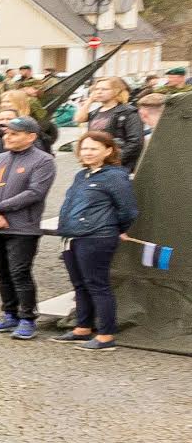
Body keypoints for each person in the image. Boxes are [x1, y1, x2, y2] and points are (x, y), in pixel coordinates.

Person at [0, 117, 58, 340]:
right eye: (7, 133)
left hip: (22, 227)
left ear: (31, 137)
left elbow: (34, 193)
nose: (8, 138)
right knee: (2, 273)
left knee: (19, 272)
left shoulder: (43, 161)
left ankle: (27, 317)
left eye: (15, 134)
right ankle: (9, 313)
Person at [52, 130, 138, 352]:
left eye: (93, 148)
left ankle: (106, 335)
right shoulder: (82, 175)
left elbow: (128, 210)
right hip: (73, 235)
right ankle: (83, 327)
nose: (87, 153)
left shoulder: (115, 176)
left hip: (97, 237)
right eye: (84, 148)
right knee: (79, 285)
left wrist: (117, 228)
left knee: (98, 285)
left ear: (108, 151)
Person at [81, 78, 146, 167]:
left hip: (117, 165)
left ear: (117, 91)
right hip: (97, 164)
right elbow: (79, 119)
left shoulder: (128, 112)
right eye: (96, 89)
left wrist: (115, 160)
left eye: (104, 89)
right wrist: (89, 100)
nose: (99, 92)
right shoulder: (95, 112)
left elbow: (135, 142)